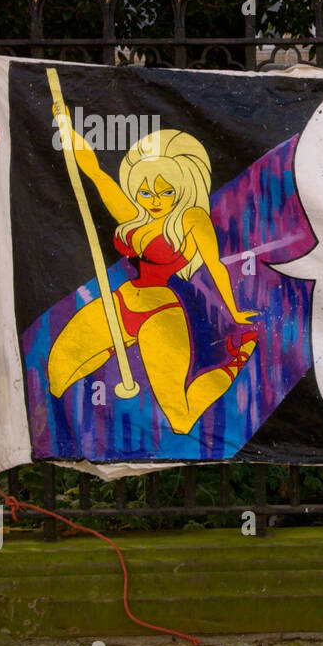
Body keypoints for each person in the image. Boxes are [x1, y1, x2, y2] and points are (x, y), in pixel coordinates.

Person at [46, 128, 258, 435]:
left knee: (180, 420)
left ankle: (234, 361)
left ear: (181, 188)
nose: (155, 200)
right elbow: (95, 172)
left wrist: (235, 314)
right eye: (146, 192)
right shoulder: (135, 216)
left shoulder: (192, 220)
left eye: (165, 191)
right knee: (56, 374)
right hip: (123, 301)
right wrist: (67, 129)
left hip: (162, 315)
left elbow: (216, 268)